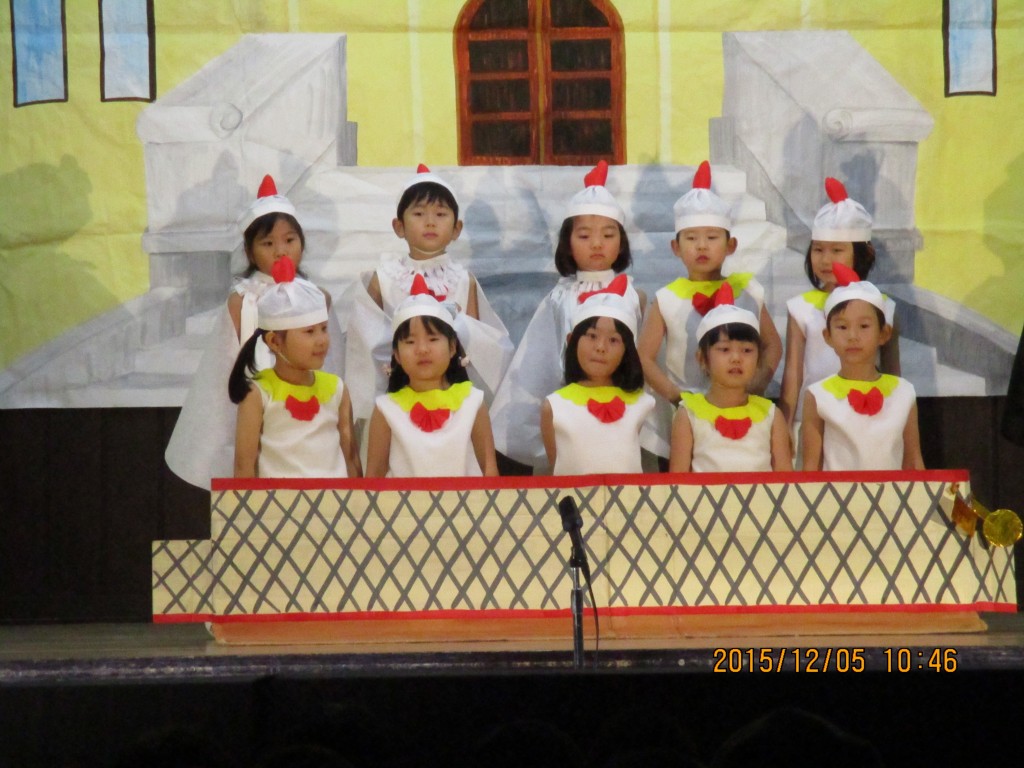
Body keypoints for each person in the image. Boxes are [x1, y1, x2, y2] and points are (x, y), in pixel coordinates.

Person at [165, 174, 343, 488]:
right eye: (267, 243)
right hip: (260, 413)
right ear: (249, 251)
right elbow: (223, 369)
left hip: (309, 415)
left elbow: (331, 363)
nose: (280, 251)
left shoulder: (318, 297)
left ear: (302, 243)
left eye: (289, 240)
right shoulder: (241, 302)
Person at [490, 161, 644, 471]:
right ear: (568, 244)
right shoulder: (559, 297)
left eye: (608, 235)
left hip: (622, 405)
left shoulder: (635, 295)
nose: (597, 244)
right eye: (584, 236)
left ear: (621, 242)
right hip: (573, 405)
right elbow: (541, 359)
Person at [342, 164, 513, 428]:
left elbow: (478, 343)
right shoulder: (382, 278)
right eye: (419, 213)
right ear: (399, 226)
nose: (430, 221)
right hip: (397, 395)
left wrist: (459, 325)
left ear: (456, 229)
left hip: (450, 394)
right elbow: (365, 346)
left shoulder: (463, 279)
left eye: (441, 214)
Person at [638, 161, 781, 457]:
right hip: (688, 411)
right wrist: (675, 396)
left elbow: (772, 344)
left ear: (731, 245)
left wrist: (758, 381)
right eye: (691, 238)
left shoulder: (749, 291)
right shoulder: (666, 298)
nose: (702, 246)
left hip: (741, 403)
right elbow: (644, 356)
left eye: (712, 237)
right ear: (676, 247)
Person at [780, 176, 900, 434]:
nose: (826, 260)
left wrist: (896, 422)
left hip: (869, 420)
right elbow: (793, 374)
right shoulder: (800, 308)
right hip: (813, 421)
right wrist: (785, 428)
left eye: (837, 251)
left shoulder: (884, 307)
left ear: (863, 253)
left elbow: (893, 372)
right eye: (818, 250)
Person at [229, 256, 360, 478]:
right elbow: (244, 466)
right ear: (274, 341)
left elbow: (351, 457)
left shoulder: (337, 388)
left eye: (324, 329)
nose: (321, 340)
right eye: (309, 332)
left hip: (334, 499)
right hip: (277, 500)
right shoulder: (258, 392)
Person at [365, 276, 498, 477]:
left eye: (433, 339)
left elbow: (489, 470)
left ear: (452, 347)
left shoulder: (473, 402)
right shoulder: (386, 409)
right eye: (410, 342)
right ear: (396, 355)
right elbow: (374, 476)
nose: (422, 349)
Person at [801, 267, 923, 471]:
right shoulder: (818, 395)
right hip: (837, 492)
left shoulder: (903, 392)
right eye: (842, 327)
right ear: (828, 336)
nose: (853, 336)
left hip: (892, 493)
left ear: (883, 334)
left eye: (864, 326)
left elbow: (913, 461)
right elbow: (811, 469)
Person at [540, 280, 655, 475]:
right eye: (592, 336)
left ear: (627, 350)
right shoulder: (554, 406)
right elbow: (557, 471)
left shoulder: (642, 403)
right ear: (571, 340)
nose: (601, 347)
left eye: (613, 340)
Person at [668, 304, 792, 472]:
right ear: (702, 358)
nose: (736, 358)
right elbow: (678, 480)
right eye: (724, 349)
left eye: (746, 350)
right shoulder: (688, 415)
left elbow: (785, 480)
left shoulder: (771, 415)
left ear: (758, 360)